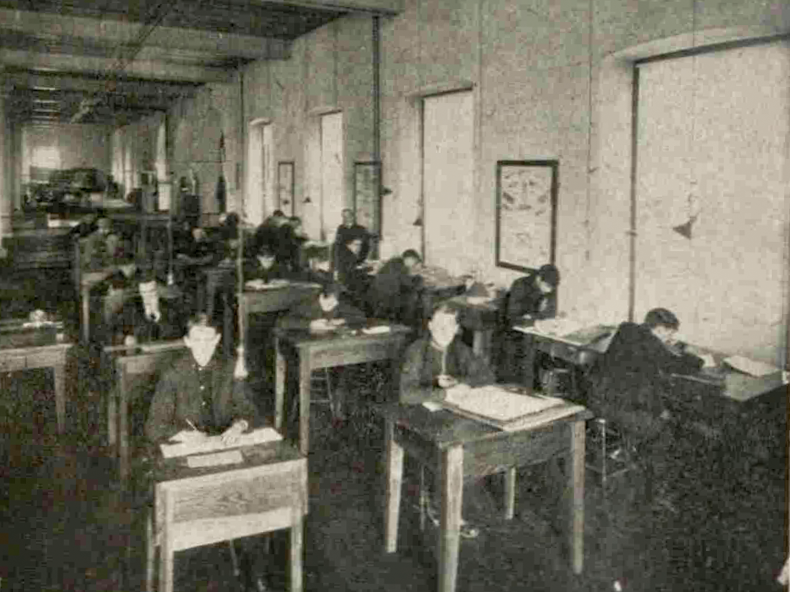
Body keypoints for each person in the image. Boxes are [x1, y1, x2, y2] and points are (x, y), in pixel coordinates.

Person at [144, 314, 267, 591]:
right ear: (187, 341)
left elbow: (248, 410)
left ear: (217, 340)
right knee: (191, 507)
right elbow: (153, 427)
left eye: (208, 340)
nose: (202, 346)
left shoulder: (229, 367)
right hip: (186, 456)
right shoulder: (173, 373)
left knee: (252, 494)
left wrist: (239, 425)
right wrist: (183, 434)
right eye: (196, 340)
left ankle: (252, 571)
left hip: (221, 448)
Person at [588, 307, 715, 510]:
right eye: (670, 332)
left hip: (597, 400)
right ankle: (656, 493)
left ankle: (629, 451)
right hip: (617, 409)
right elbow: (678, 364)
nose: (671, 337)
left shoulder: (626, 329)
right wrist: (697, 358)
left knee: (657, 414)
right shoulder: (652, 345)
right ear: (660, 329)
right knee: (665, 431)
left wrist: (664, 346)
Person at [399, 301, 496, 537]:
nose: (445, 330)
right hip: (417, 418)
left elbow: (487, 376)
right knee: (454, 446)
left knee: (474, 439)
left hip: (448, 415)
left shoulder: (459, 349)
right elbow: (406, 393)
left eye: (450, 325)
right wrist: (442, 393)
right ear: (430, 325)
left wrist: (461, 383)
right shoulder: (416, 350)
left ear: (456, 329)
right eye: (440, 325)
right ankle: (445, 510)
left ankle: (455, 504)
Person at [278, 283, 367, 419]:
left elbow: (360, 316)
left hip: (326, 350)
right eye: (330, 303)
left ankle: (340, 409)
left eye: (336, 302)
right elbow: (284, 322)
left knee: (349, 365)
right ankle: (293, 414)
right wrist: (309, 324)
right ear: (322, 297)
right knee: (297, 374)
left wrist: (340, 320)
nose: (333, 306)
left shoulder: (337, 303)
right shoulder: (307, 305)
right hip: (299, 350)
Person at [499, 263, 561, 385]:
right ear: (539, 279)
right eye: (547, 286)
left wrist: (533, 316)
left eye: (552, 288)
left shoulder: (550, 286)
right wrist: (537, 315)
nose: (549, 291)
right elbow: (512, 316)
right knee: (523, 361)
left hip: (534, 332)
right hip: (513, 333)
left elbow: (551, 313)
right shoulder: (520, 285)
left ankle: (533, 387)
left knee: (541, 355)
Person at [367, 249, 423, 324]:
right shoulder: (401, 266)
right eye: (414, 262)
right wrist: (418, 278)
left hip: (376, 296)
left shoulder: (394, 261)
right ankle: (408, 325)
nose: (414, 264)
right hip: (385, 299)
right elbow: (409, 284)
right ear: (408, 259)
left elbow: (401, 279)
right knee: (412, 298)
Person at [335, 236, 371, 308]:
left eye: (360, 245)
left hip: (342, 281)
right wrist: (369, 268)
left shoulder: (346, 253)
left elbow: (351, 268)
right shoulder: (350, 256)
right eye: (356, 244)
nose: (359, 247)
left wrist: (360, 265)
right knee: (370, 282)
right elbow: (354, 272)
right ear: (349, 245)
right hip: (348, 283)